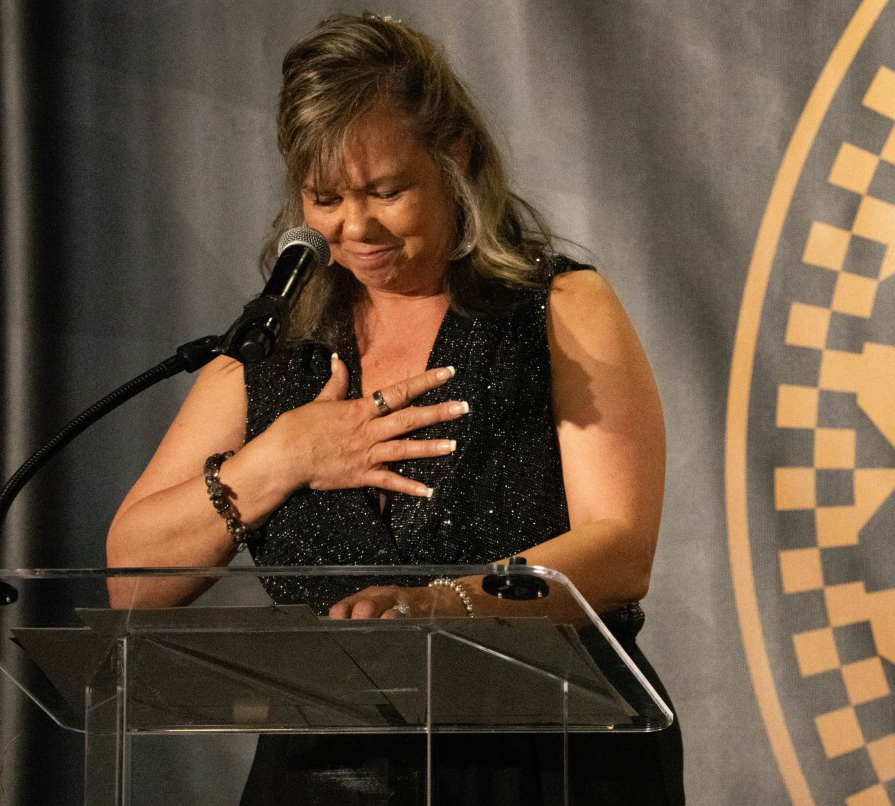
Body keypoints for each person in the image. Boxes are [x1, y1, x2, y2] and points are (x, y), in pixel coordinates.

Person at [107, 11, 684, 805]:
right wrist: (279, 459)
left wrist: (441, 606)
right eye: (325, 198)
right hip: (323, 771)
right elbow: (131, 584)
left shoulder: (554, 309)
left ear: (456, 157)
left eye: (386, 191)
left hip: (544, 753)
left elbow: (619, 552)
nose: (356, 227)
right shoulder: (272, 355)